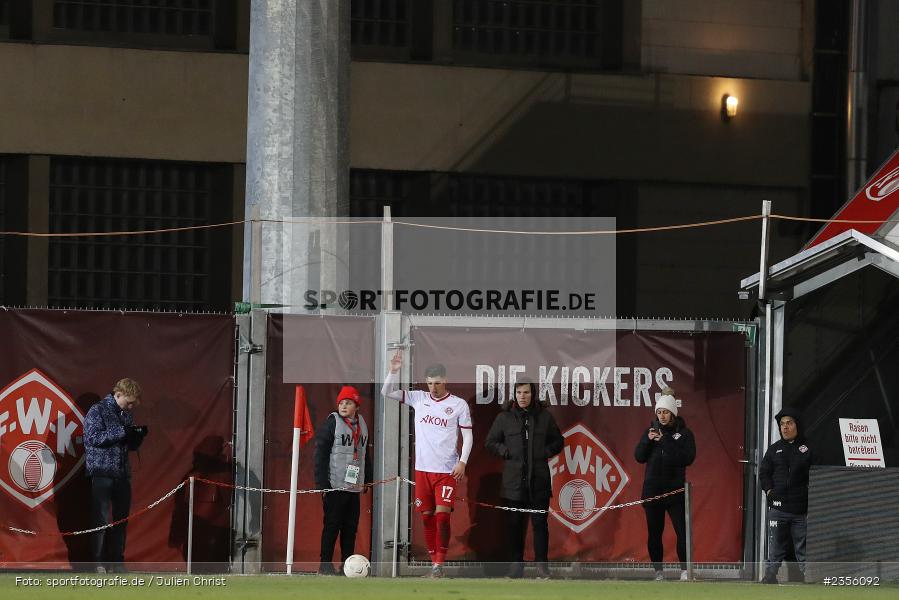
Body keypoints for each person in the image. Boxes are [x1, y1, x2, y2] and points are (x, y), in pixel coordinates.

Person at [381, 350, 473, 578]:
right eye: (430, 383)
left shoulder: (458, 404)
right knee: (426, 517)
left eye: (438, 383)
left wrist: (462, 462)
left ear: (446, 380)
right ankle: (434, 565)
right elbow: (386, 392)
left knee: (442, 517)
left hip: (446, 471)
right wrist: (393, 371)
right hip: (422, 470)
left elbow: (468, 436)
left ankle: (439, 565)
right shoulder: (419, 398)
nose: (433, 387)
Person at [485, 377, 564, 579]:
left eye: (526, 392)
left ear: (533, 394)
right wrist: (505, 451)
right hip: (513, 481)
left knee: (540, 525)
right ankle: (515, 568)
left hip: (539, 480)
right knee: (514, 526)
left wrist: (544, 452)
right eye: (519, 392)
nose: (522, 396)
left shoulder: (544, 416)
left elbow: (558, 441)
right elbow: (490, 442)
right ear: (514, 394)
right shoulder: (504, 418)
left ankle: (542, 568)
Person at [84, 378, 147, 574]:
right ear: (118, 394)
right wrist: (122, 431)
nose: (130, 406)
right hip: (102, 472)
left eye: (133, 404)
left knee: (121, 520)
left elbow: (124, 442)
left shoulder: (126, 414)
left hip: (121, 473)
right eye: (128, 402)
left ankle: (117, 562)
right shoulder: (97, 410)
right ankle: (98, 562)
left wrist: (136, 437)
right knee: (101, 520)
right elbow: (93, 438)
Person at [634, 387, 696, 581]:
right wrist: (647, 441)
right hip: (653, 491)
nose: (662, 416)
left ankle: (685, 571)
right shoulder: (650, 431)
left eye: (665, 412)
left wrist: (664, 441)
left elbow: (687, 458)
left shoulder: (685, 434)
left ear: (673, 414)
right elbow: (638, 457)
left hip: (675, 492)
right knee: (654, 533)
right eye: (659, 412)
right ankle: (658, 571)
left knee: (681, 532)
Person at [313, 385, 370, 575]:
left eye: (349, 402)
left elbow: (365, 454)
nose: (344, 406)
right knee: (332, 525)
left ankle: (347, 566)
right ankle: (325, 564)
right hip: (335, 486)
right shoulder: (333, 422)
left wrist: (367, 479)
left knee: (350, 528)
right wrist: (322, 483)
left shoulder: (362, 423)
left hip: (353, 487)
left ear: (357, 406)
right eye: (341, 402)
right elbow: (320, 453)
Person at [759, 406, 813, 584]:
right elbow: (764, 473)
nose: (785, 427)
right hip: (778, 508)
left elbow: (817, 474)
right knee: (775, 546)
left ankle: (810, 578)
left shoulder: (808, 449)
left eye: (789, 423)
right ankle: (770, 576)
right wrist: (769, 491)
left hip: (801, 509)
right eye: (782, 424)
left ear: (797, 425)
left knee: (804, 547)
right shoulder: (774, 450)